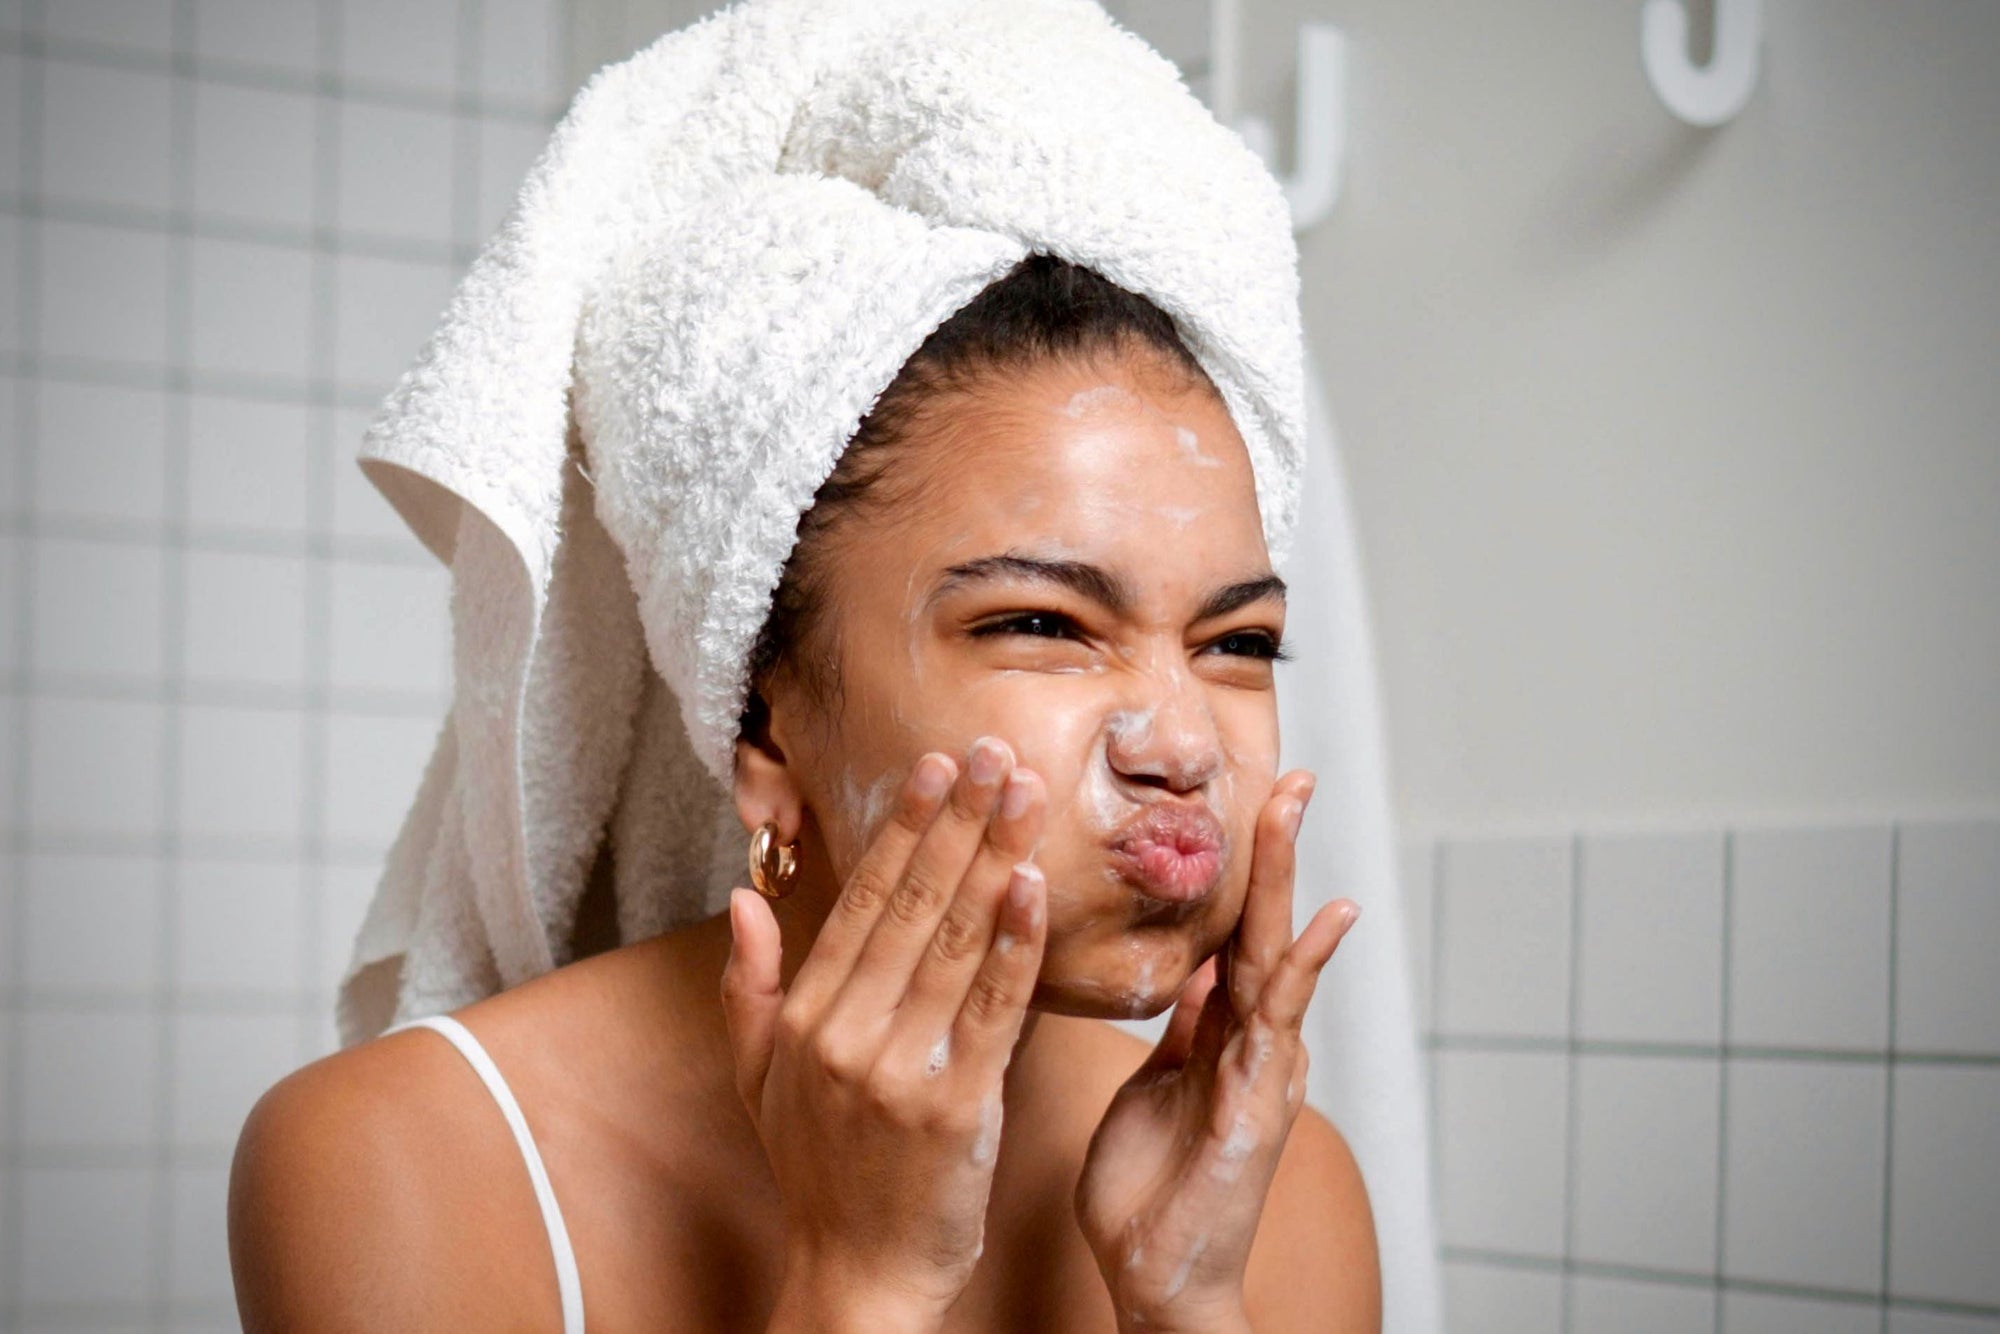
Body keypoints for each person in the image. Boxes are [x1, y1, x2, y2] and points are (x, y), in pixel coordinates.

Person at [228, 254, 1381, 1332]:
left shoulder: (1268, 1184)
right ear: (765, 730)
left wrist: (1189, 1302)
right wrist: (856, 1283)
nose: (1181, 743)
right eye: (1041, 623)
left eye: (1237, 641)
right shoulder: (397, 1155)